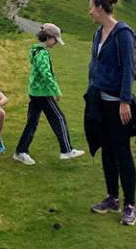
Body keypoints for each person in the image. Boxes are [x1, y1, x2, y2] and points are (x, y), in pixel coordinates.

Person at [85, 0, 136, 226]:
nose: (89, 11)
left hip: (117, 104)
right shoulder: (97, 34)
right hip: (99, 102)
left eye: (91, 7)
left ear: (100, 8)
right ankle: (112, 198)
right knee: (107, 152)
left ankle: (130, 205)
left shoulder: (123, 33)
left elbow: (128, 68)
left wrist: (124, 101)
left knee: (122, 153)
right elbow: (95, 66)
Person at [13, 22, 85, 165]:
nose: (56, 44)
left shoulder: (35, 50)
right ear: (49, 37)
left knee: (32, 122)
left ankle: (20, 151)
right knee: (59, 118)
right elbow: (46, 74)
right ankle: (66, 150)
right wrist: (56, 91)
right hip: (42, 93)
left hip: (35, 92)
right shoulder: (43, 53)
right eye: (55, 40)